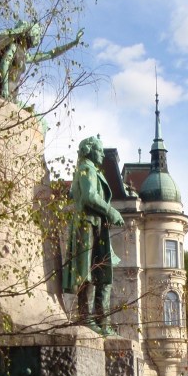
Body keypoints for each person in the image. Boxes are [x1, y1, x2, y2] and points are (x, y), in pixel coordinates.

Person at [62, 135, 124, 335]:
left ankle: (101, 322)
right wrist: (111, 211)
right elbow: (89, 196)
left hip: (96, 225)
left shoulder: (91, 170)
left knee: (102, 273)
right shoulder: (85, 168)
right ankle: (86, 317)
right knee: (86, 272)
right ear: (89, 150)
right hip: (86, 225)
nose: (102, 154)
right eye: (99, 150)